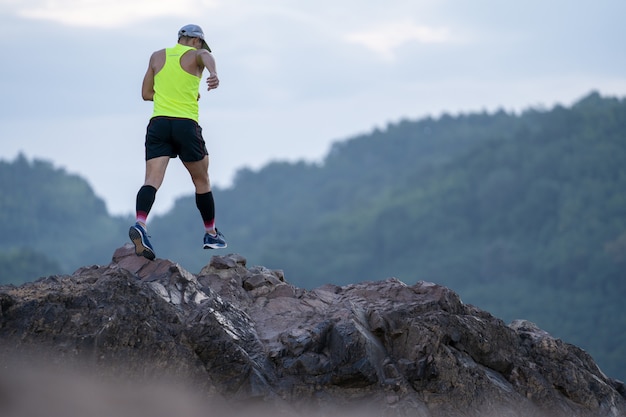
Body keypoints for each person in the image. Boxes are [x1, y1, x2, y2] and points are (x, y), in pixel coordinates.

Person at [129, 24, 227, 261]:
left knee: (151, 180)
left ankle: (140, 224)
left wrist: (170, 95)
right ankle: (211, 233)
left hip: (159, 123)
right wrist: (213, 74)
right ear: (195, 41)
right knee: (202, 179)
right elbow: (205, 56)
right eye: (201, 43)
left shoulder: (157, 56)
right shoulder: (197, 54)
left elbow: (146, 93)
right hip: (185, 124)